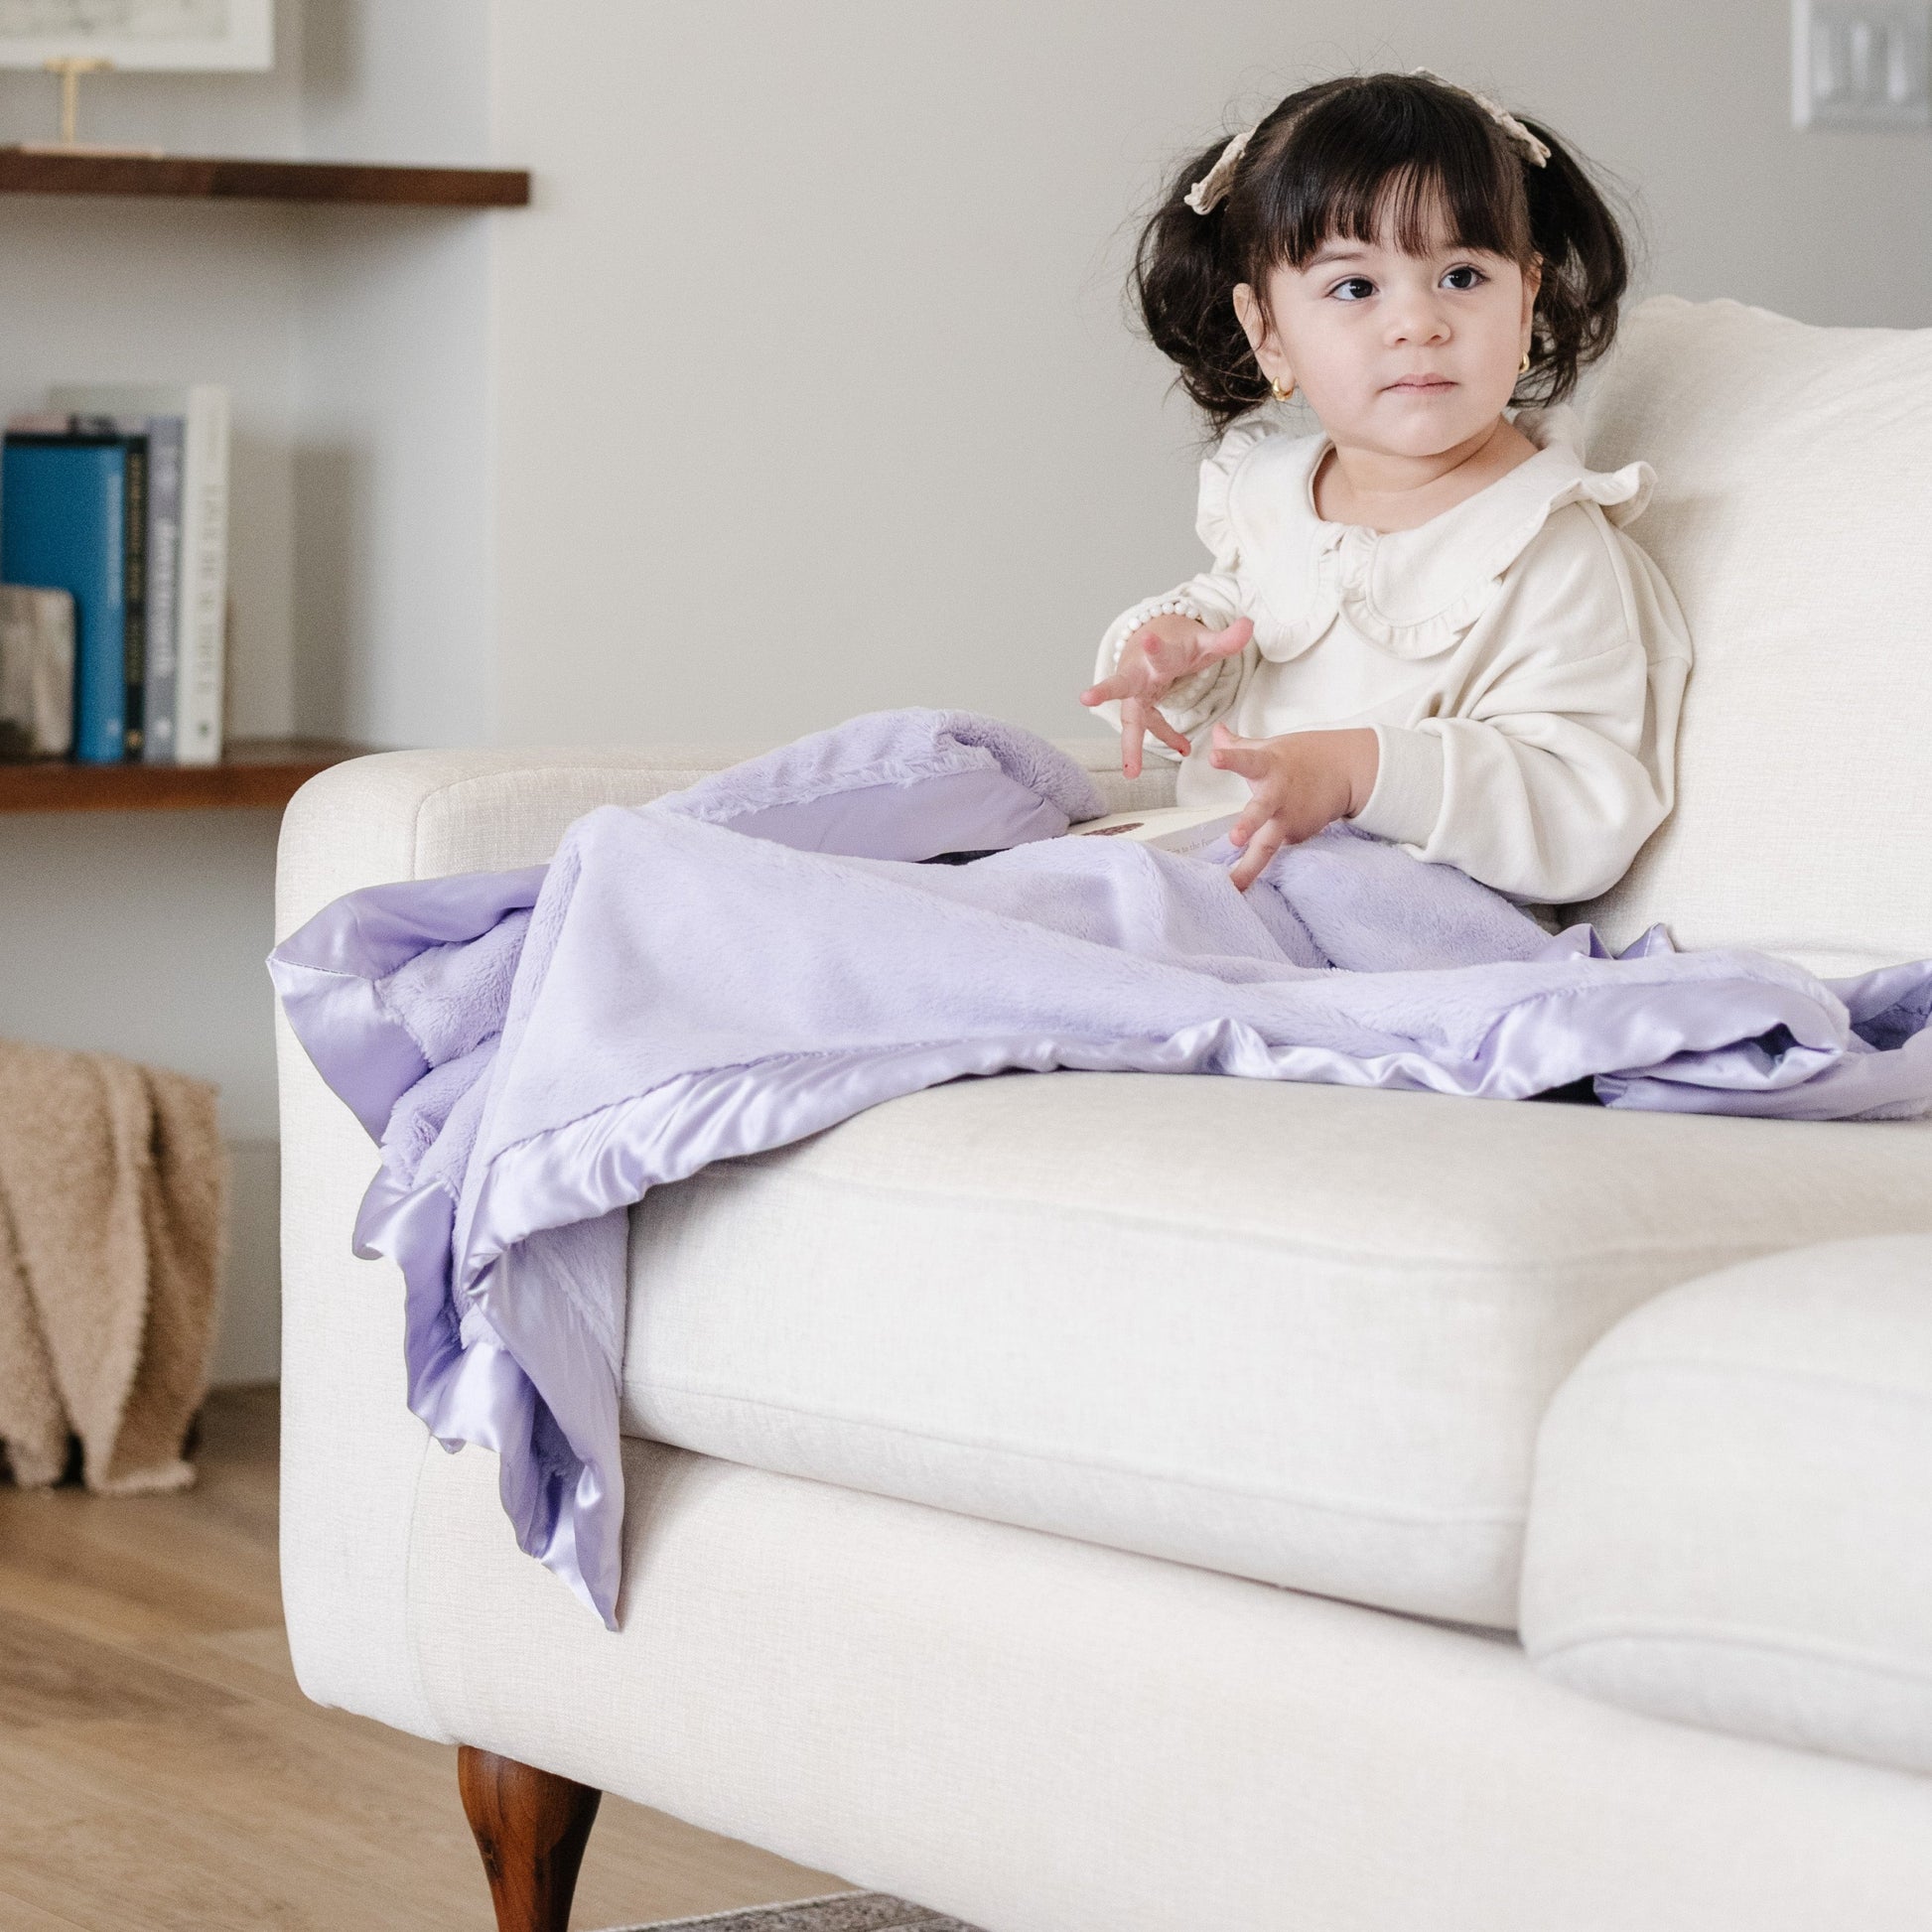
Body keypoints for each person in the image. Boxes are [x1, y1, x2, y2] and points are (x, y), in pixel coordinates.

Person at [1080, 69, 1692, 899]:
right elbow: (1238, 629)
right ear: (1268, 333)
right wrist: (1177, 650)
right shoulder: (1273, 497)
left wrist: (1361, 772)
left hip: (1408, 919)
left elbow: (1581, 808)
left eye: (1462, 276)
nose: (1418, 323)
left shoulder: (1553, 549)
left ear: (1525, 303)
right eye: (1356, 287)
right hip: (1228, 880)